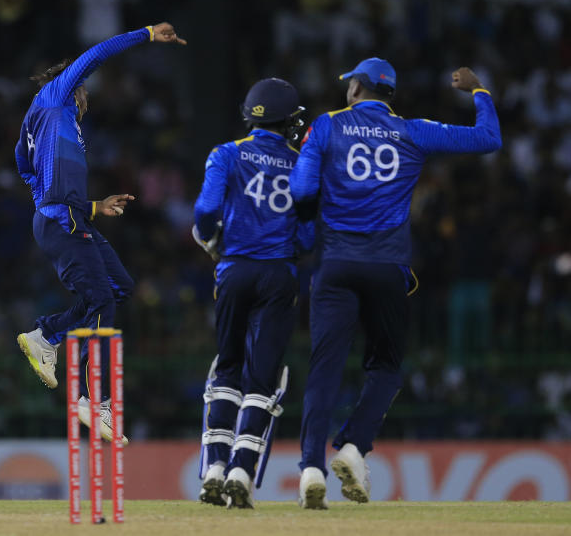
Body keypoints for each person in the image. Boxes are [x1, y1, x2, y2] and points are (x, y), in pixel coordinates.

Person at [289, 59, 502, 509]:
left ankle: (311, 466)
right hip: (388, 268)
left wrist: (314, 216)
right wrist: (480, 91)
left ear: (358, 88)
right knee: (385, 367)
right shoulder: (413, 130)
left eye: (350, 82)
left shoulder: (327, 125)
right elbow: (488, 139)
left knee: (325, 367)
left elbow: (303, 190)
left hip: (336, 265)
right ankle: (353, 446)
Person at [13, 22, 186, 442]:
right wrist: (146, 34)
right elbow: (96, 55)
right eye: (84, 91)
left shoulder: (46, 123)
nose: (87, 98)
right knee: (102, 300)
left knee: (119, 287)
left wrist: (89, 206)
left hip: (70, 217)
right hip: (62, 221)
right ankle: (97, 402)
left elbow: (23, 163)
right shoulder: (56, 96)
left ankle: (47, 335)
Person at [193, 78, 313, 509]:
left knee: (226, 369)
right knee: (263, 378)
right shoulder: (301, 163)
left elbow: (206, 210)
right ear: (287, 121)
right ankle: (242, 470)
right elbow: (309, 232)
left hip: (234, 270)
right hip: (279, 275)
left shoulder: (225, 153)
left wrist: (210, 239)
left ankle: (213, 469)